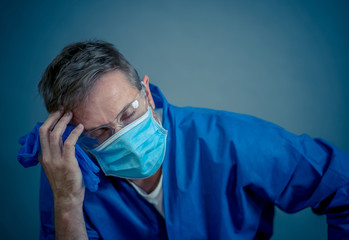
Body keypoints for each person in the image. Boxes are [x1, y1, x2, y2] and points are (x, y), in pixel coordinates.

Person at [20, 40, 349, 240]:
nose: (124, 137)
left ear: (146, 93)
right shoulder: (68, 173)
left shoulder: (228, 141)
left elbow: (340, 183)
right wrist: (66, 201)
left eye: (128, 113)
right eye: (99, 132)